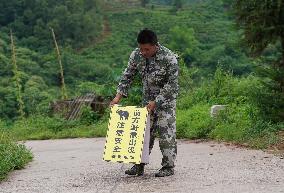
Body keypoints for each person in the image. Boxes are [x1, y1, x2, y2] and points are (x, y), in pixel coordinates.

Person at [109, 29, 179, 177]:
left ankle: (168, 167)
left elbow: (171, 85)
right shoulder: (136, 55)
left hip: (165, 102)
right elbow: (127, 75)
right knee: (142, 134)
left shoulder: (169, 58)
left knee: (166, 134)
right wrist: (117, 97)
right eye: (141, 48)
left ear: (155, 45)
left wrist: (157, 101)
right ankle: (138, 166)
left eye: (146, 49)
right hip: (147, 102)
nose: (143, 52)